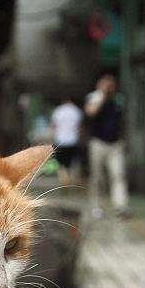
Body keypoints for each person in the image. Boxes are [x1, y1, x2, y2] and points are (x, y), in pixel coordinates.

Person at [84, 71, 128, 217]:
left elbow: (123, 121)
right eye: (106, 83)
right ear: (99, 84)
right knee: (98, 177)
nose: (109, 86)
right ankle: (96, 207)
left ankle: (120, 206)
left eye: (111, 83)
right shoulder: (93, 97)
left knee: (118, 175)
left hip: (116, 144)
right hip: (98, 143)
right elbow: (91, 113)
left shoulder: (119, 100)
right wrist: (102, 96)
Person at [49, 95, 83, 185]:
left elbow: (53, 126)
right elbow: (79, 127)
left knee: (61, 162)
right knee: (71, 161)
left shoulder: (58, 110)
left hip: (60, 140)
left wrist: (51, 139)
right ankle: (71, 178)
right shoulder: (77, 111)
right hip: (73, 140)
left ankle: (64, 178)